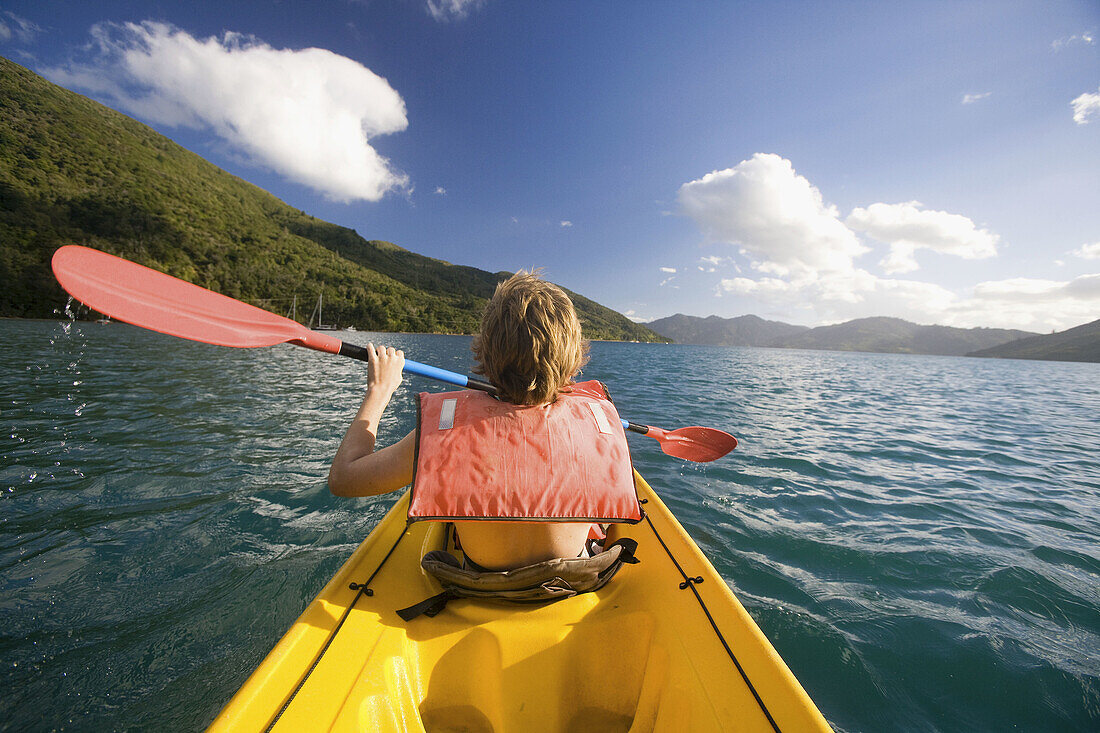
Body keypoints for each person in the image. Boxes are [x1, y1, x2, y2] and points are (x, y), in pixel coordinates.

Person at [328, 271, 598, 571]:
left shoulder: (445, 434)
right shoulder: (595, 431)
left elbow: (344, 479)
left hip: (481, 584)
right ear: (574, 357)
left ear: (484, 349)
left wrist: (379, 390)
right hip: (572, 582)